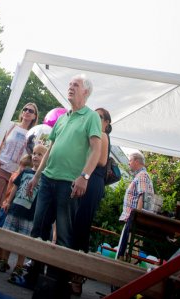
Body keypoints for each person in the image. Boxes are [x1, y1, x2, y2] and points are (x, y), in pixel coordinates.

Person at [22, 75, 102, 292]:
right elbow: (50, 148)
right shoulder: (62, 117)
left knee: (64, 235)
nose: (70, 87)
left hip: (69, 183)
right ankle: (33, 276)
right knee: (38, 229)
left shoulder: (91, 117)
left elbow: (96, 150)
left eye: (75, 85)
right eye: (70, 84)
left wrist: (84, 177)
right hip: (48, 179)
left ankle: (56, 284)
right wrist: (36, 176)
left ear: (86, 92)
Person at [0, 101, 39, 262]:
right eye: (25, 109)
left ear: (35, 116)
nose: (27, 112)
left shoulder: (33, 134)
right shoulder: (11, 125)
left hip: (17, 173)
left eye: (31, 111)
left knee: (5, 209)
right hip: (0, 167)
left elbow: (32, 155)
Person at [71, 108, 112, 295]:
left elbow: (101, 161)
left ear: (106, 123)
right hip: (85, 179)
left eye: (99, 116)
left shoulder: (102, 135)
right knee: (75, 225)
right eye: (93, 115)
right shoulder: (92, 135)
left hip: (92, 181)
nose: (95, 118)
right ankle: (69, 272)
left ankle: (77, 277)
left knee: (81, 226)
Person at [0, 144, 46, 281]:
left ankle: (18, 266)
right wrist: (8, 202)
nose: (35, 156)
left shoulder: (44, 176)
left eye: (40, 154)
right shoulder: (25, 171)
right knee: (9, 237)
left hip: (29, 214)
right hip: (15, 208)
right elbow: (15, 187)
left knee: (24, 242)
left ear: (46, 158)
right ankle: (3, 261)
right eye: (34, 153)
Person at [116, 151, 154, 260]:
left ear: (137, 161)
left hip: (134, 221)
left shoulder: (142, 175)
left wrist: (137, 218)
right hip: (133, 220)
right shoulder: (140, 175)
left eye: (130, 160)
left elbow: (143, 195)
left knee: (129, 253)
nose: (128, 163)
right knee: (129, 252)